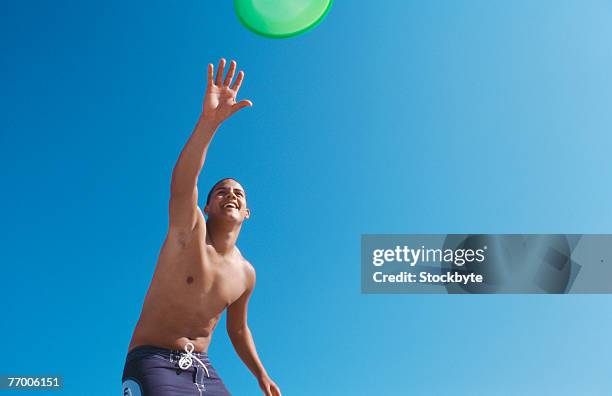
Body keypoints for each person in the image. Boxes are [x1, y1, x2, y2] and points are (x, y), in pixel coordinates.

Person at [122, 59, 281, 396]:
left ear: (247, 211)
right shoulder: (188, 231)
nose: (231, 195)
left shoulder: (246, 274)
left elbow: (238, 331)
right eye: (221, 191)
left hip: (202, 370)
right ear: (206, 206)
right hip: (153, 360)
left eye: (239, 192)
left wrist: (261, 375)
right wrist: (209, 123)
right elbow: (184, 182)